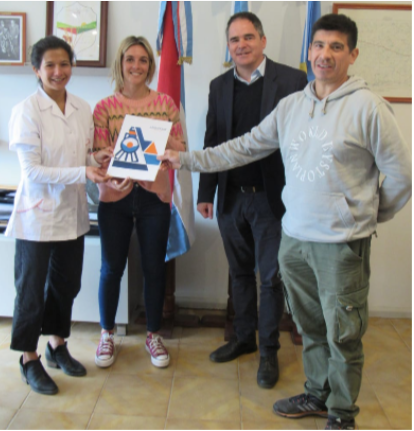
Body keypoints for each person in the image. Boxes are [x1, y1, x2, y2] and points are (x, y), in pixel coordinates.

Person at [158, 13, 412, 430]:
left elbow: (401, 177)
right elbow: (241, 147)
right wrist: (183, 159)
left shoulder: (369, 107)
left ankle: (342, 413)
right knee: (310, 326)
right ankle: (316, 392)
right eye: (319, 45)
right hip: (294, 238)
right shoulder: (292, 106)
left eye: (336, 47)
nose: (325, 55)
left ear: (352, 55)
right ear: (309, 50)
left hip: (341, 243)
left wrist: (363, 216)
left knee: (342, 332)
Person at [198, 11, 307, 389]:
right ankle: (244, 338)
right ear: (228, 46)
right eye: (234, 39)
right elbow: (212, 142)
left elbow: (302, 142)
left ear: (262, 41)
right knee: (240, 273)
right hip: (231, 198)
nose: (241, 45)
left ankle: (268, 351)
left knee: (271, 279)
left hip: (272, 200)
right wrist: (206, 192)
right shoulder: (218, 86)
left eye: (248, 37)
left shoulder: (292, 81)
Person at [6, 35, 112, 395]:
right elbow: (33, 171)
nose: (58, 71)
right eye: (49, 65)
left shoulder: (82, 108)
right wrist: (84, 171)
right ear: (36, 70)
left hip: (73, 213)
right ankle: (28, 358)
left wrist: (96, 159)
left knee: (66, 285)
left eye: (64, 64)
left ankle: (56, 345)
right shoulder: (26, 111)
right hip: (37, 218)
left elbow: (80, 156)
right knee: (31, 290)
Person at [93, 36, 185, 369]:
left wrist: (163, 148)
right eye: (130, 59)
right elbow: (96, 154)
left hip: (153, 198)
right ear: (120, 63)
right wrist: (105, 157)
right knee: (111, 268)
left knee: (154, 268)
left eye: (143, 60)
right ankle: (106, 334)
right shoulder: (104, 107)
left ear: (151, 65)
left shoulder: (166, 104)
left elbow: (180, 149)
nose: (136, 66)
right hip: (114, 197)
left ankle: (153, 334)